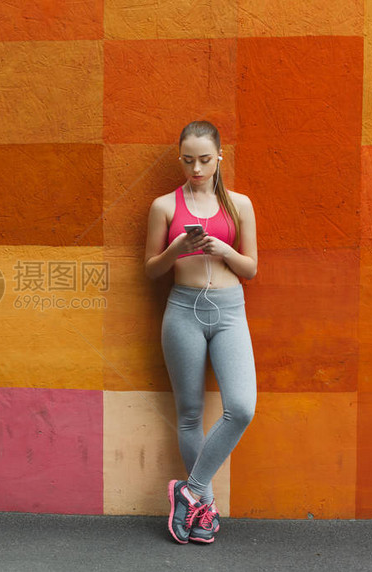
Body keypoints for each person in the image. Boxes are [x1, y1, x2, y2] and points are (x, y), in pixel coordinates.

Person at [143, 120, 258, 544]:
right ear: (180, 158)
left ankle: (186, 491)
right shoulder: (164, 206)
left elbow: (251, 269)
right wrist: (177, 249)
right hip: (182, 310)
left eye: (205, 160)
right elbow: (151, 269)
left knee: (241, 407)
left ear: (219, 158)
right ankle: (203, 510)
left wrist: (225, 250)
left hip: (229, 312)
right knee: (189, 413)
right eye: (188, 160)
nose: (196, 168)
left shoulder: (239, 205)